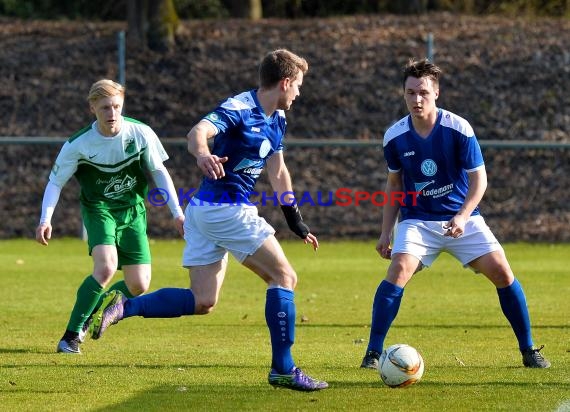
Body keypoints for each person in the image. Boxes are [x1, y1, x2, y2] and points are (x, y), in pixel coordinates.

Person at [89, 49, 328, 391]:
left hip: (204, 212)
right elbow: (197, 132)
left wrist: (295, 221)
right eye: (299, 86)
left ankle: (125, 306)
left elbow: (278, 171)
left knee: (203, 300)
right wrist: (203, 154)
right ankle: (284, 369)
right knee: (284, 277)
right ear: (285, 82)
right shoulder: (240, 108)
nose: (299, 93)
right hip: (226, 209)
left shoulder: (277, 120)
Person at [360, 59, 550, 370]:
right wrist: (385, 231)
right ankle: (372, 352)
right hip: (418, 222)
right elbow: (394, 185)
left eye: (423, 92)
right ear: (403, 94)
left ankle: (529, 349)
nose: (416, 99)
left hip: (463, 219)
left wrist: (462, 217)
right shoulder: (394, 137)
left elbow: (480, 180)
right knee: (397, 272)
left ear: (436, 92)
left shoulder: (458, 128)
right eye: (410, 93)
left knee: (502, 271)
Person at [36, 79, 184, 354]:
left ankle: (95, 310)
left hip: (133, 212)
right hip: (99, 210)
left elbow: (160, 173)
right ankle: (69, 336)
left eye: (116, 106)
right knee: (105, 268)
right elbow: (55, 183)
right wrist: (46, 219)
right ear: (92, 108)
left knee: (139, 284)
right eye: (105, 107)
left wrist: (177, 213)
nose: (112, 113)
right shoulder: (78, 144)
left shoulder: (140, 133)